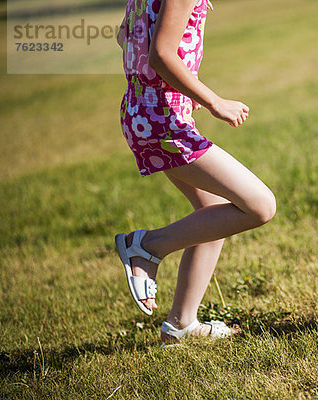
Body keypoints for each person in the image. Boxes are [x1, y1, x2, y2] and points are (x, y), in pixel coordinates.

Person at [115, 0, 275, 344]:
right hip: (163, 121)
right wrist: (214, 101)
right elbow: (160, 54)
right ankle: (147, 246)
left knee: (213, 211)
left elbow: (125, 35)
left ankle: (181, 325)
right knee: (260, 205)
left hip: (143, 113)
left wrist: (182, 93)